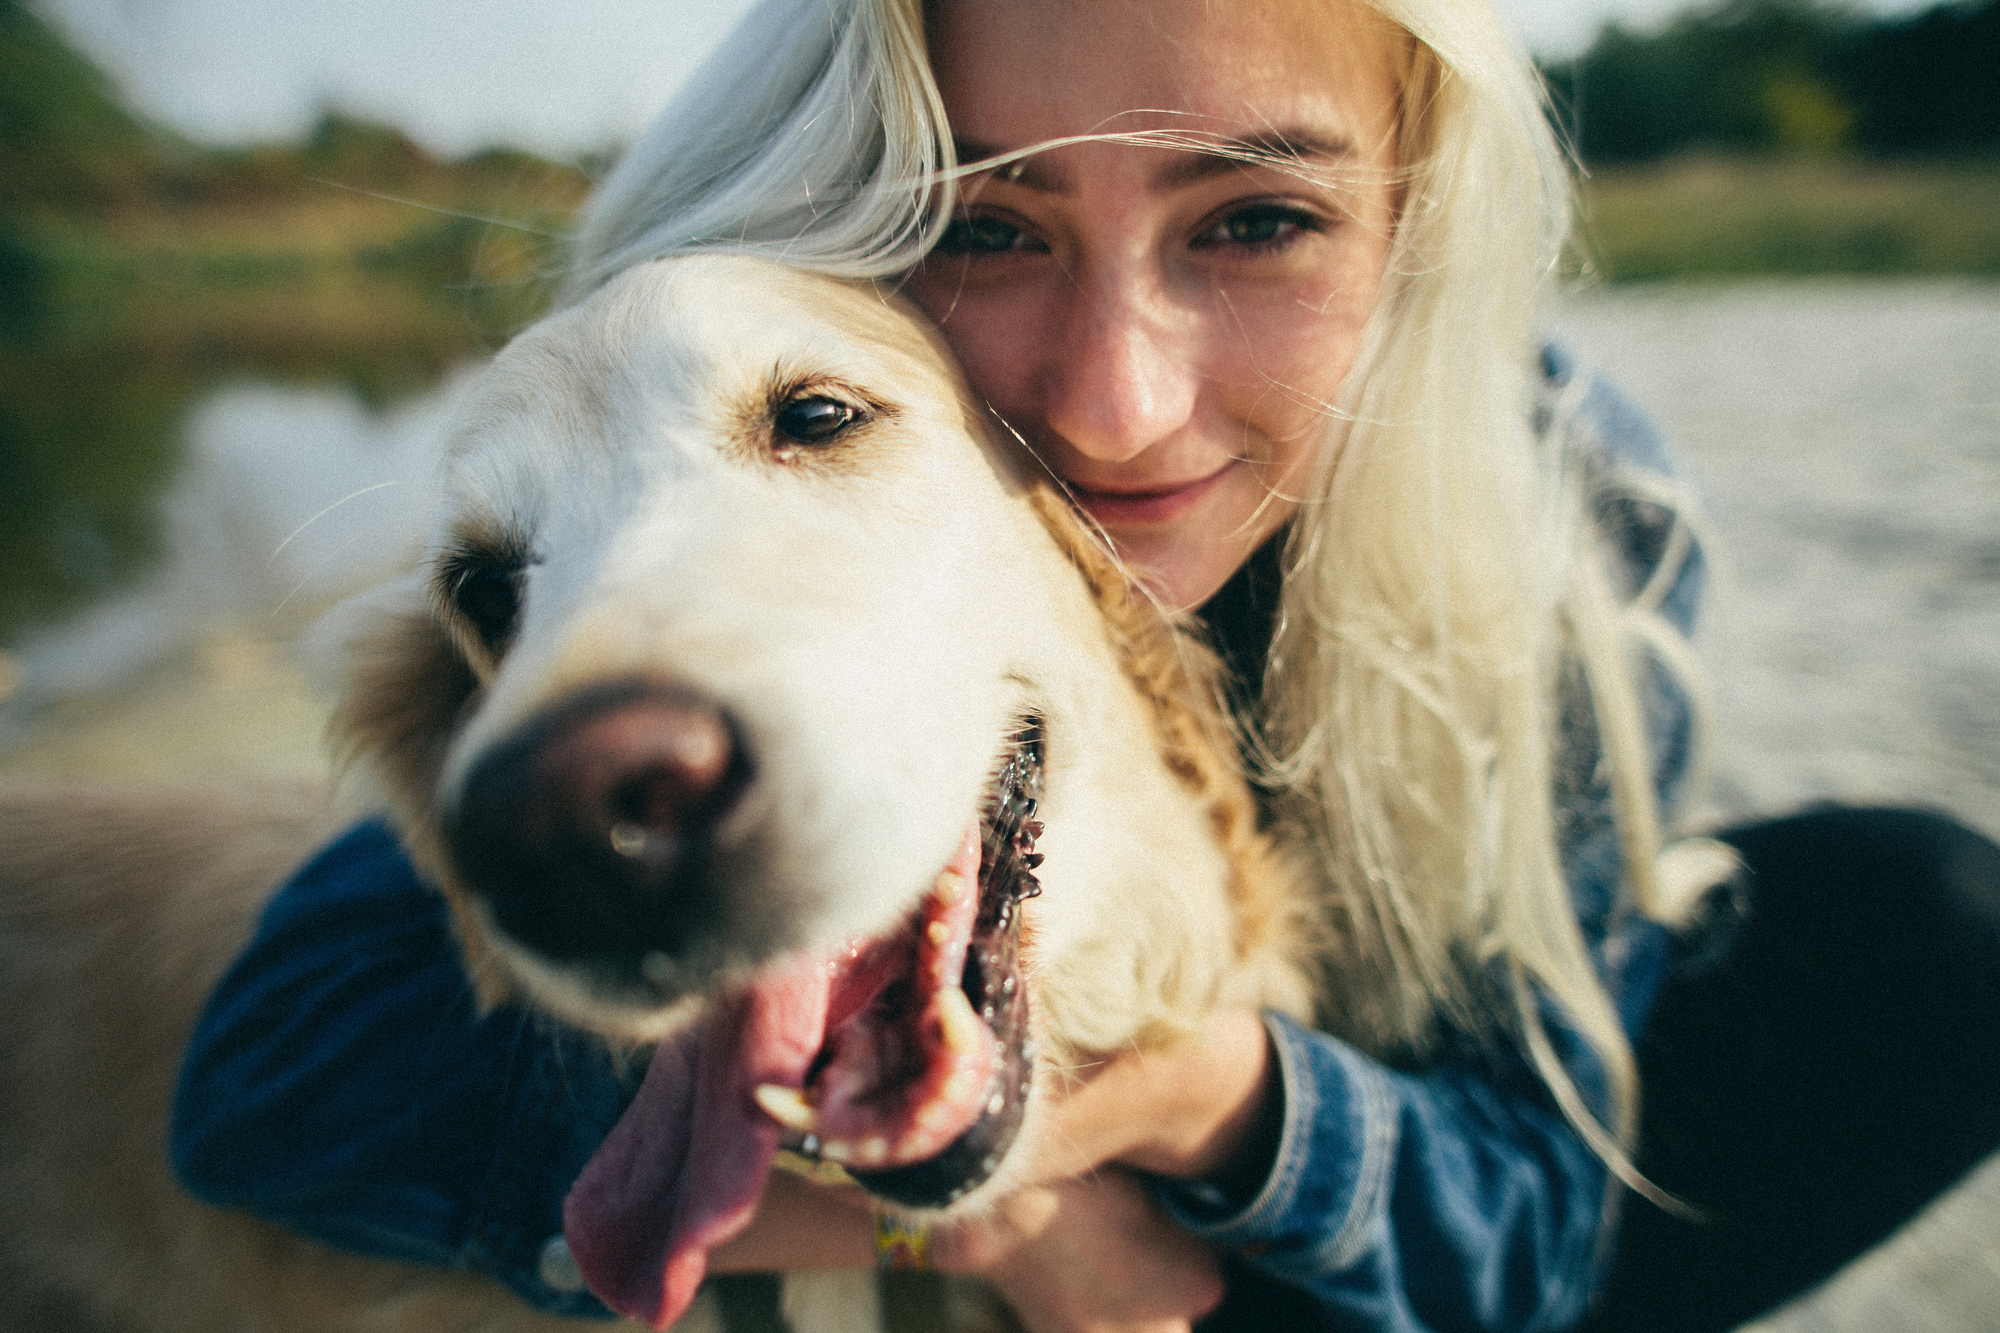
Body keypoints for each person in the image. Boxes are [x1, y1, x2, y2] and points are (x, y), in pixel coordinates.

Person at [171, 0, 2000, 1330]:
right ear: (846, 238)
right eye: (984, 225)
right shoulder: (700, 570)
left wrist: (1198, 1094)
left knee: (1931, 932)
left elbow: (1528, 1221)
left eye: (1260, 218)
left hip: (1358, 1201)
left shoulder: (1576, 520)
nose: (1120, 410)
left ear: (1415, 234)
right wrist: (990, 1217)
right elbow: (278, 1082)